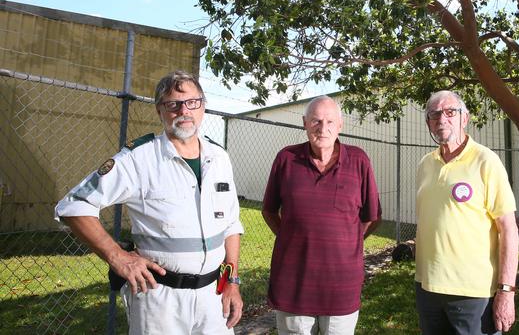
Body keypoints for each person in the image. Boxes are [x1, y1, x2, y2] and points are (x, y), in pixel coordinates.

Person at [55, 70, 244, 334]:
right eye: (173, 104)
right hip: (160, 299)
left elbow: (231, 226)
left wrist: (231, 282)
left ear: (203, 106)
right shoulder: (139, 159)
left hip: (214, 296)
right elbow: (74, 206)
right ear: (159, 111)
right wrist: (117, 256)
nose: (183, 111)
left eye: (192, 102)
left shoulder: (219, 157)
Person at [262, 95, 382, 335]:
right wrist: (292, 236)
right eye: (316, 121)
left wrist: (347, 242)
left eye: (329, 122)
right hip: (294, 283)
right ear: (304, 123)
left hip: (342, 284)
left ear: (340, 125)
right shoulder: (286, 158)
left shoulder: (358, 160)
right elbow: (268, 210)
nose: (323, 128)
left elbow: (373, 216)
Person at [415, 90, 519, 335]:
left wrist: (506, 291)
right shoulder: (425, 165)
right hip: (427, 288)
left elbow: (509, 229)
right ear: (428, 121)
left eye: (450, 112)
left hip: (473, 293)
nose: (442, 119)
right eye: (434, 114)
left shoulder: (486, 161)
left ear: (465, 118)